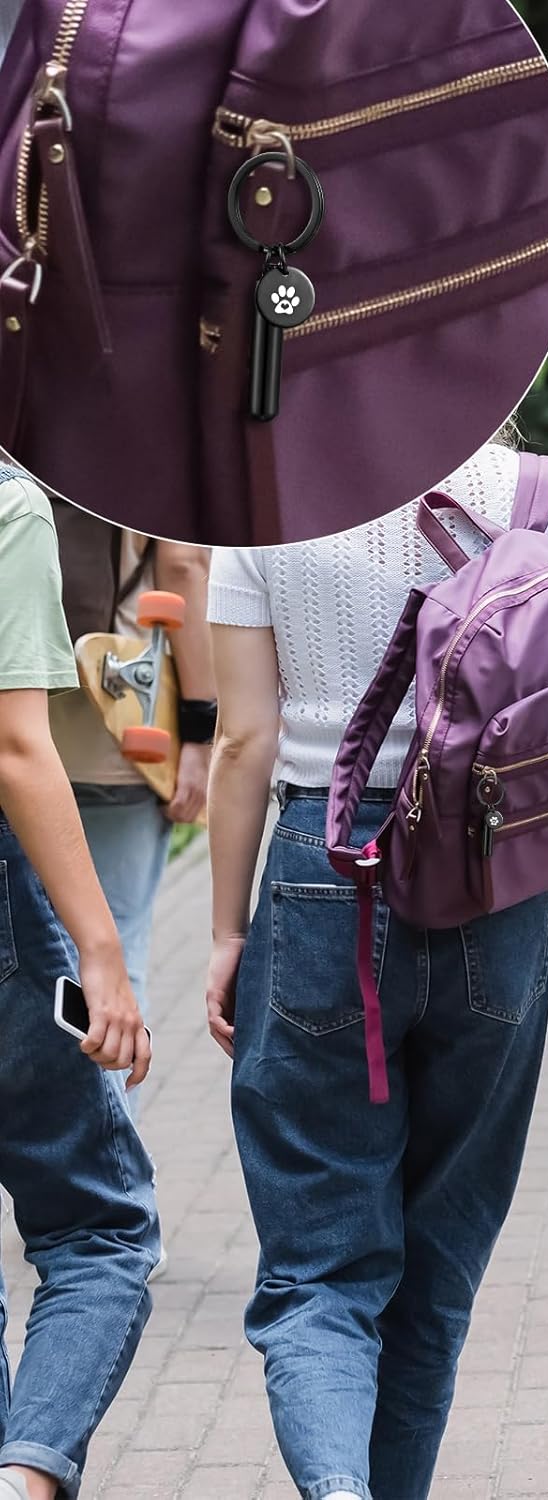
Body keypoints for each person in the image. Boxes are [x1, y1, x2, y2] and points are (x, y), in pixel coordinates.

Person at [203, 439, 548, 1500]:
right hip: (496, 888)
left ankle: (336, 1489)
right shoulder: (540, 496)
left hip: (323, 874)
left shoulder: (262, 484)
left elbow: (242, 741)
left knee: (319, 1269)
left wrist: (227, 932)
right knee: (436, 1268)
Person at [0, 468, 158, 1500]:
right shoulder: (7, 504)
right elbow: (15, 747)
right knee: (99, 1227)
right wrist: (100, 951)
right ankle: (26, 1474)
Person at [48, 528, 215, 1108]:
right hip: (117, 720)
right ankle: (104, 1176)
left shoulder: (22, 434)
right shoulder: (146, 438)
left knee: (30, 962)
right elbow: (182, 561)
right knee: (114, 965)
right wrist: (200, 725)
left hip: (18, 717)